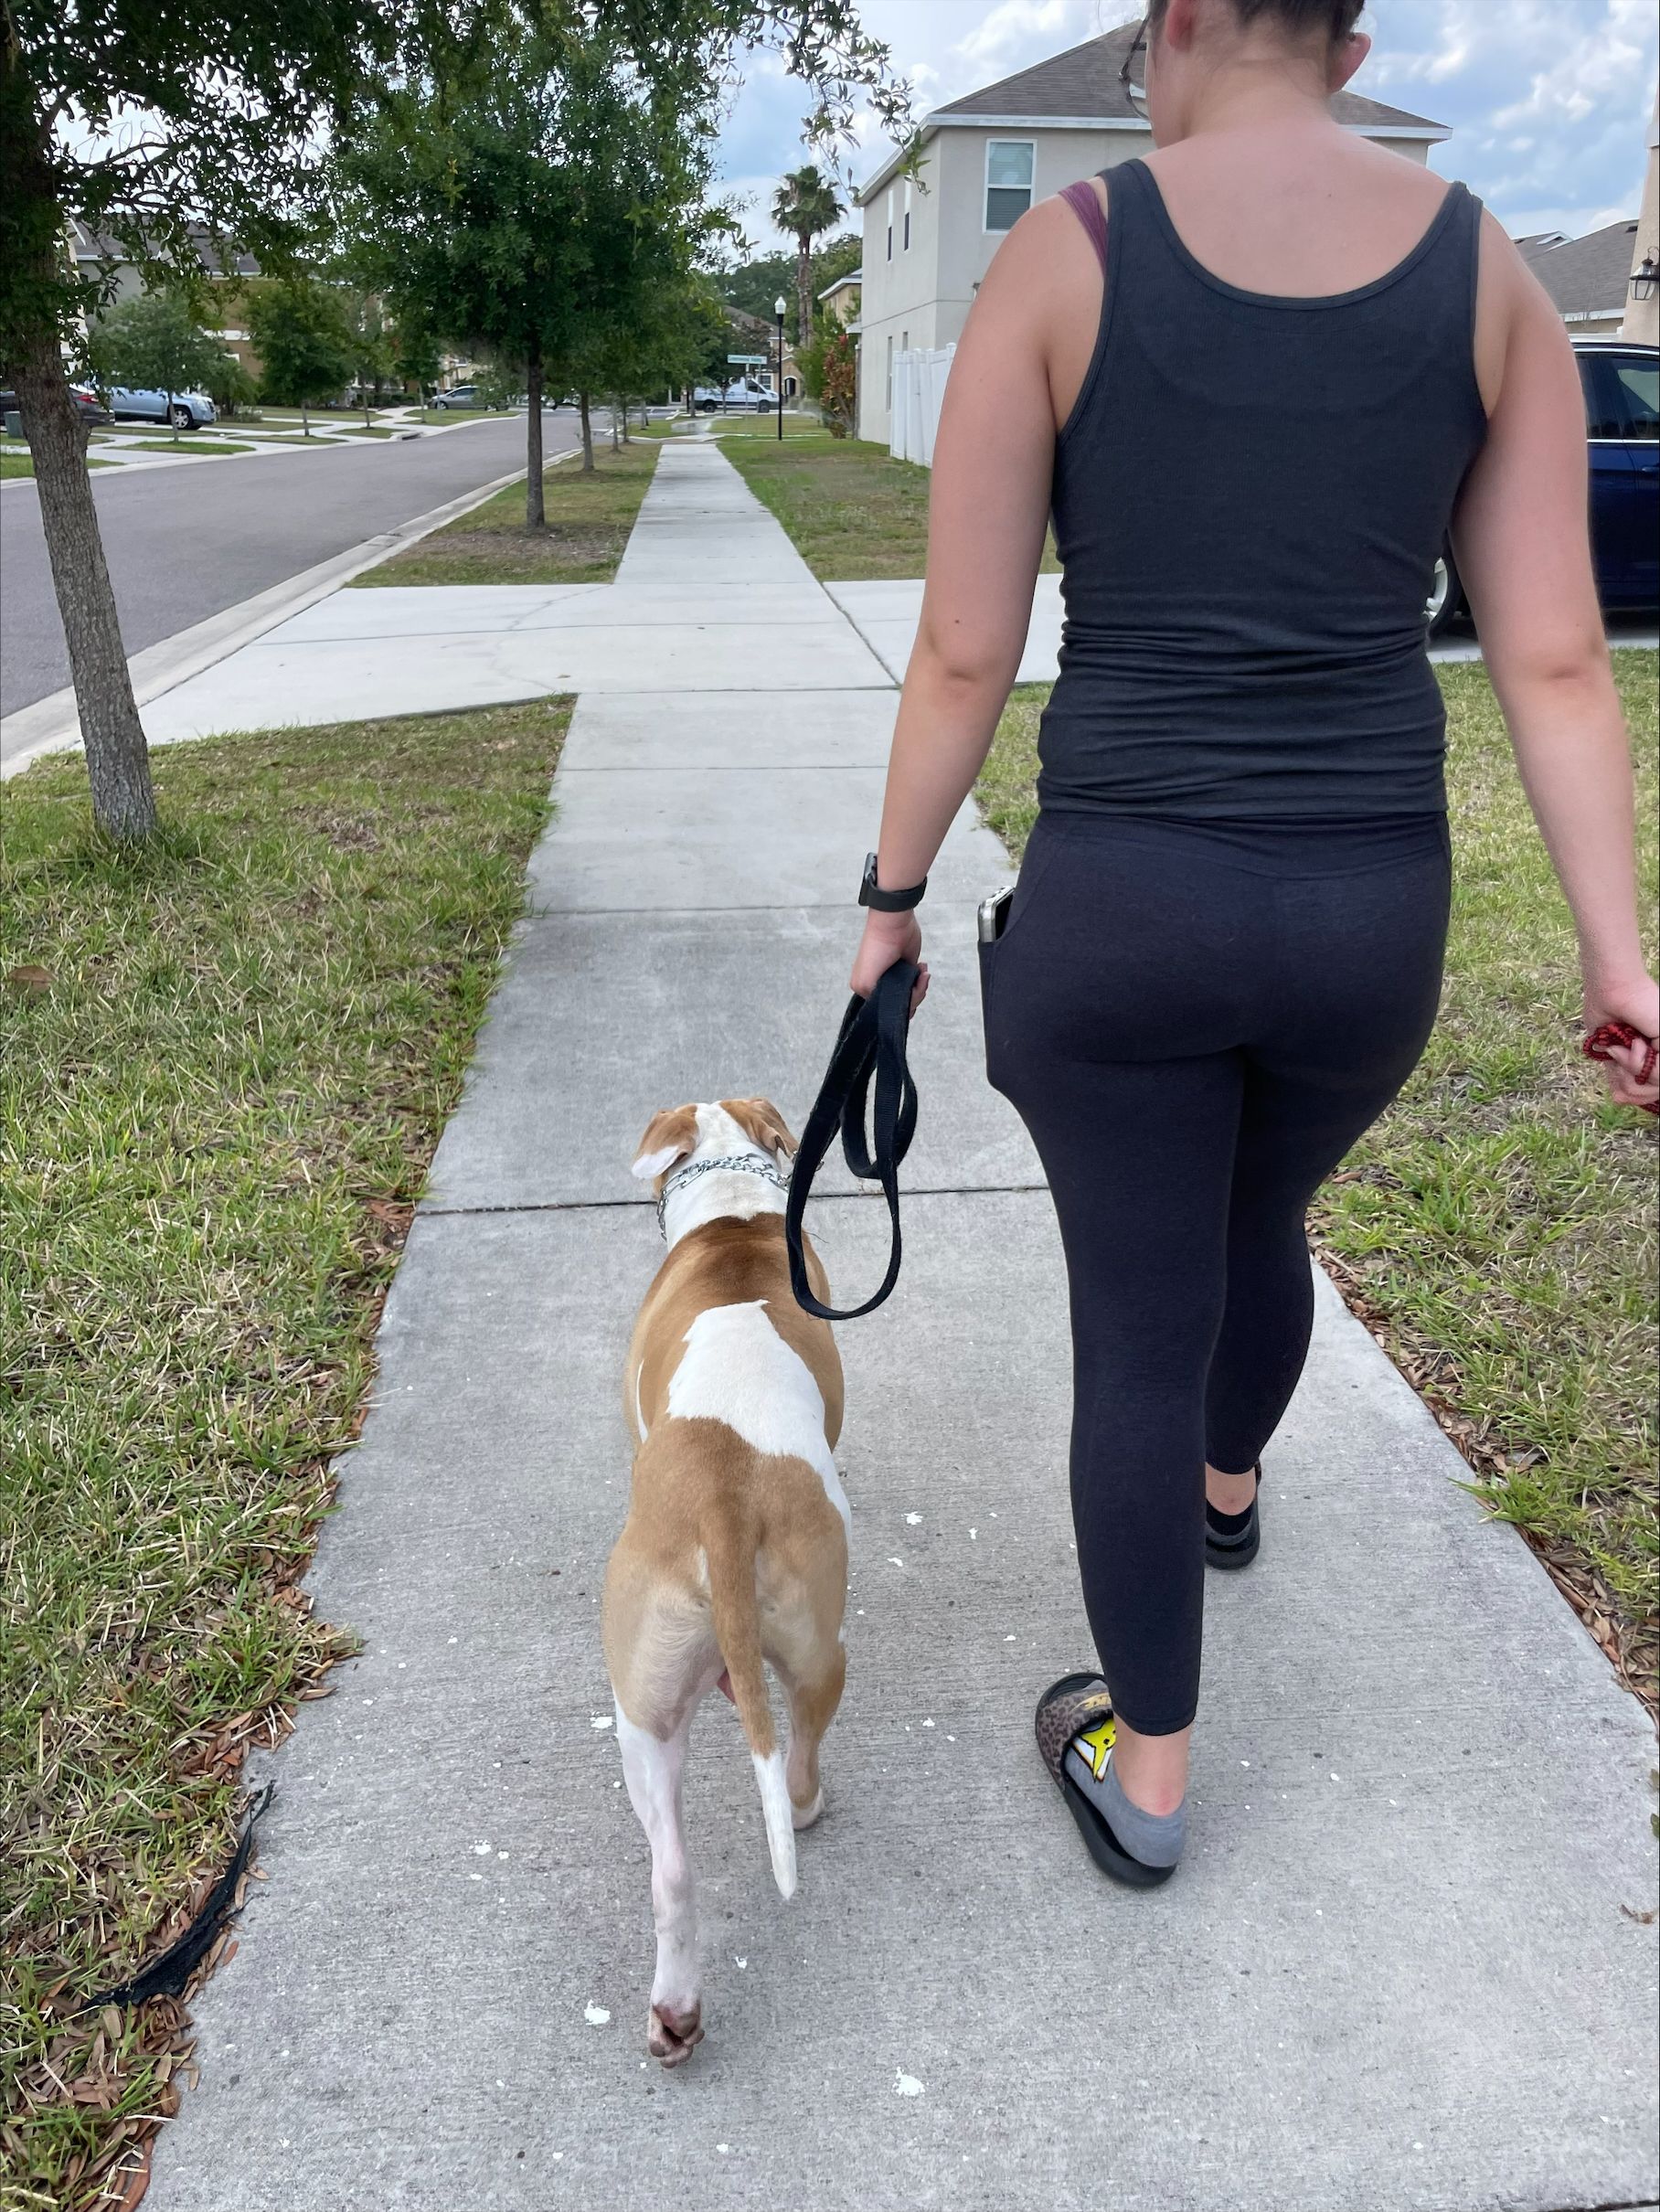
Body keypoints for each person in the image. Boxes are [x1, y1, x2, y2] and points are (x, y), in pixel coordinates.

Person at [847, 0, 1660, 1887]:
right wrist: (1619, 958)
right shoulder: (1487, 279)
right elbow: (1548, 656)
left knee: (1138, 1326)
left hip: (1122, 910)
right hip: (1363, 920)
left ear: (1183, 19)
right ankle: (1226, 1492)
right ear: (1351, 37)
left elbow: (966, 647)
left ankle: (1146, 1776)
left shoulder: (1068, 254)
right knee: (1252, 1224)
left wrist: (889, 903)